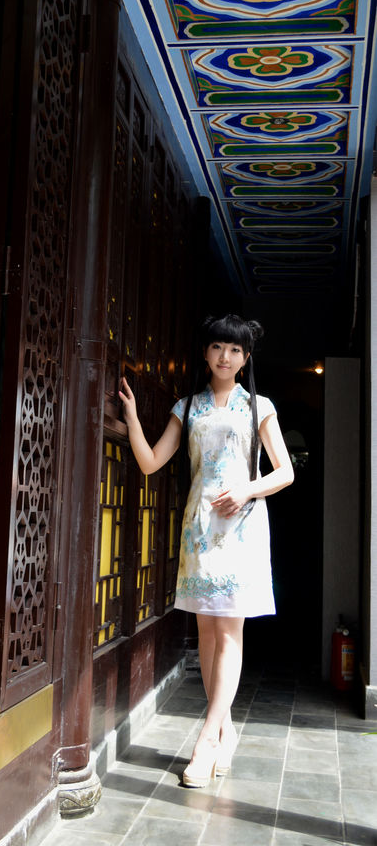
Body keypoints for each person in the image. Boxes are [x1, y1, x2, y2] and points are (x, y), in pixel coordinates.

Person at [119, 314, 294, 788]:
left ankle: (207, 740)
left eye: (235, 350)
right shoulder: (188, 406)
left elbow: (285, 472)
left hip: (241, 528)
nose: (225, 357)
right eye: (218, 347)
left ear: (246, 358)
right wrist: (131, 419)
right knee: (209, 635)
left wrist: (248, 490)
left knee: (230, 630)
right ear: (205, 353)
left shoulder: (259, 407)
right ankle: (225, 730)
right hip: (199, 530)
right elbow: (151, 462)